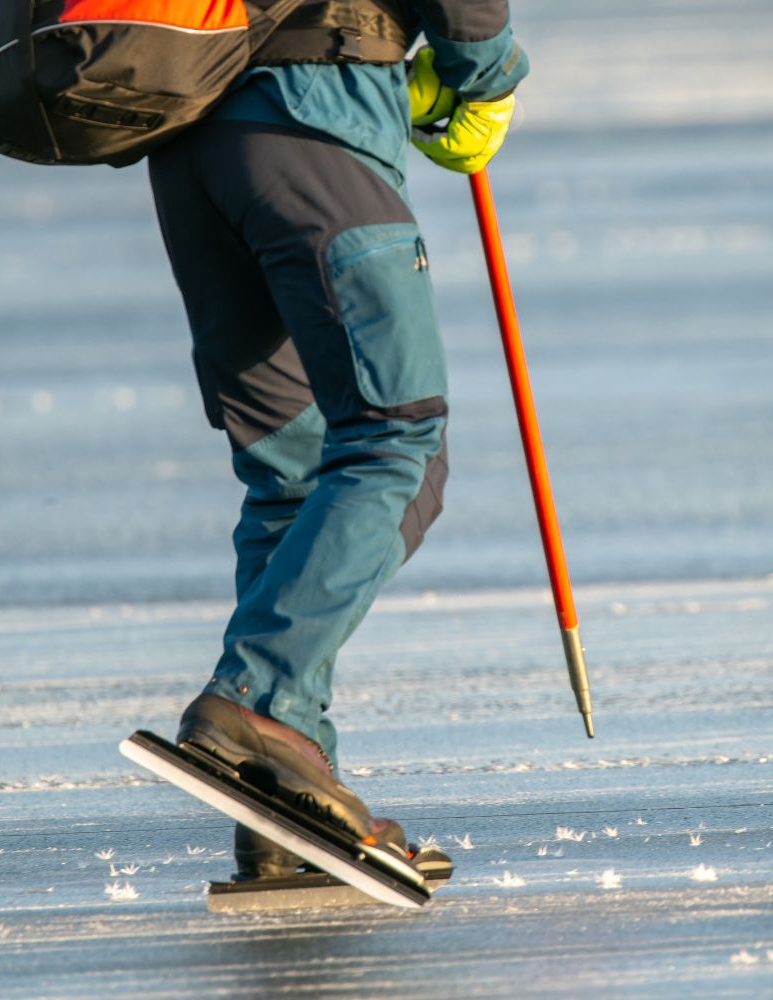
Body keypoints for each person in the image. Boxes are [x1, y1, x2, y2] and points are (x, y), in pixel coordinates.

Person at [147, 0, 528, 879]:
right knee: (398, 443)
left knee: (292, 474)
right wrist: (485, 76)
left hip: (190, 138)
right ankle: (254, 700)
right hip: (314, 121)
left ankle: (284, 798)